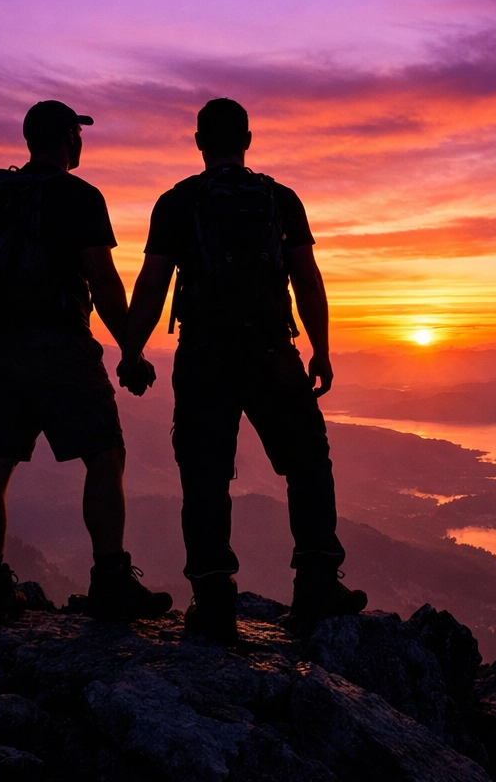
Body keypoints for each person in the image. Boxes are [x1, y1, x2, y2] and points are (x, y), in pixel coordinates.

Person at [117, 98, 366, 643]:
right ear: (247, 140)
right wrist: (321, 350)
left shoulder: (177, 202)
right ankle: (318, 582)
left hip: (203, 354)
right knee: (306, 460)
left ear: (199, 142)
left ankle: (213, 602)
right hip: (272, 350)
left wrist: (131, 354)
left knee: (204, 473)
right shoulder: (280, 199)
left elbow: (152, 285)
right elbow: (307, 279)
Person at [0, 100, 170, 625]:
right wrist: (131, 351)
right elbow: (103, 280)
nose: (81, 142)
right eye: (78, 134)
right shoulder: (79, 196)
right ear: (65, 139)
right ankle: (111, 581)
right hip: (59, 346)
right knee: (105, 455)